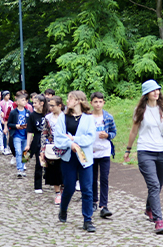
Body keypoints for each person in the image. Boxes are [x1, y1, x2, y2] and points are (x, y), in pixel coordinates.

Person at [123, 79, 163, 235]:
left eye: (158, 89)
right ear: (146, 94)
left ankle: (149, 208)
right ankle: (159, 221)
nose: (156, 92)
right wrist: (128, 149)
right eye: (153, 90)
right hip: (145, 151)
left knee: (158, 185)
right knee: (154, 185)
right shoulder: (140, 110)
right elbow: (133, 131)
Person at [52, 90, 97, 233]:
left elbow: (90, 138)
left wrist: (74, 139)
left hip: (85, 158)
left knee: (87, 189)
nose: (67, 100)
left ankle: (87, 220)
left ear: (78, 101)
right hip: (68, 157)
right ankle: (63, 210)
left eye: (70, 98)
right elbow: (58, 137)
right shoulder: (62, 118)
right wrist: (70, 144)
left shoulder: (89, 118)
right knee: (70, 187)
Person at [90, 91, 117, 219]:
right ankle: (93, 201)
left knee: (104, 178)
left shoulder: (108, 117)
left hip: (104, 151)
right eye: (95, 101)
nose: (98, 104)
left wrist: (107, 135)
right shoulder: (87, 117)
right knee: (93, 178)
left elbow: (113, 132)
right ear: (91, 103)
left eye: (100, 102)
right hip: (91, 151)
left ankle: (103, 205)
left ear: (103, 103)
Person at [24, 94, 49, 193]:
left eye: (35, 103)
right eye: (33, 103)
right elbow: (30, 131)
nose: (33, 104)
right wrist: (28, 144)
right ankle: (37, 186)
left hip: (48, 140)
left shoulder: (48, 114)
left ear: (42, 103)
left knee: (48, 163)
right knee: (38, 163)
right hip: (37, 139)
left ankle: (50, 180)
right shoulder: (32, 115)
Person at [43, 96, 65, 205]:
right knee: (54, 171)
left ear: (59, 106)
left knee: (65, 171)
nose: (50, 107)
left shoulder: (66, 117)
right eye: (49, 105)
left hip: (65, 148)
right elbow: (45, 133)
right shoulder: (47, 118)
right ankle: (57, 193)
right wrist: (42, 150)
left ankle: (63, 189)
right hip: (52, 148)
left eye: (53, 105)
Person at [7, 93, 30, 177]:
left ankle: (23, 166)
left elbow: (30, 123)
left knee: (26, 152)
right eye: (22, 100)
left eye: (25, 100)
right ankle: (19, 169)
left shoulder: (28, 112)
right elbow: (9, 123)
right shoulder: (13, 112)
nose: (24, 102)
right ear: (17, 102)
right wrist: (15, 126)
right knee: (18, 151)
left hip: (26, 135)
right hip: (16, 134)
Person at [0, 91, 14, 155]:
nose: (8, 96)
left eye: (9, 95)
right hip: (4, 120)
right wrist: (1, 119)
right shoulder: (1, 103)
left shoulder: (11, 103)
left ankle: (10, 147)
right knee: (5, 134)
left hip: (10, 121)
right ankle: (5, 147)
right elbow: (0, 112)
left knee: (10, 135)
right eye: (7, 95)